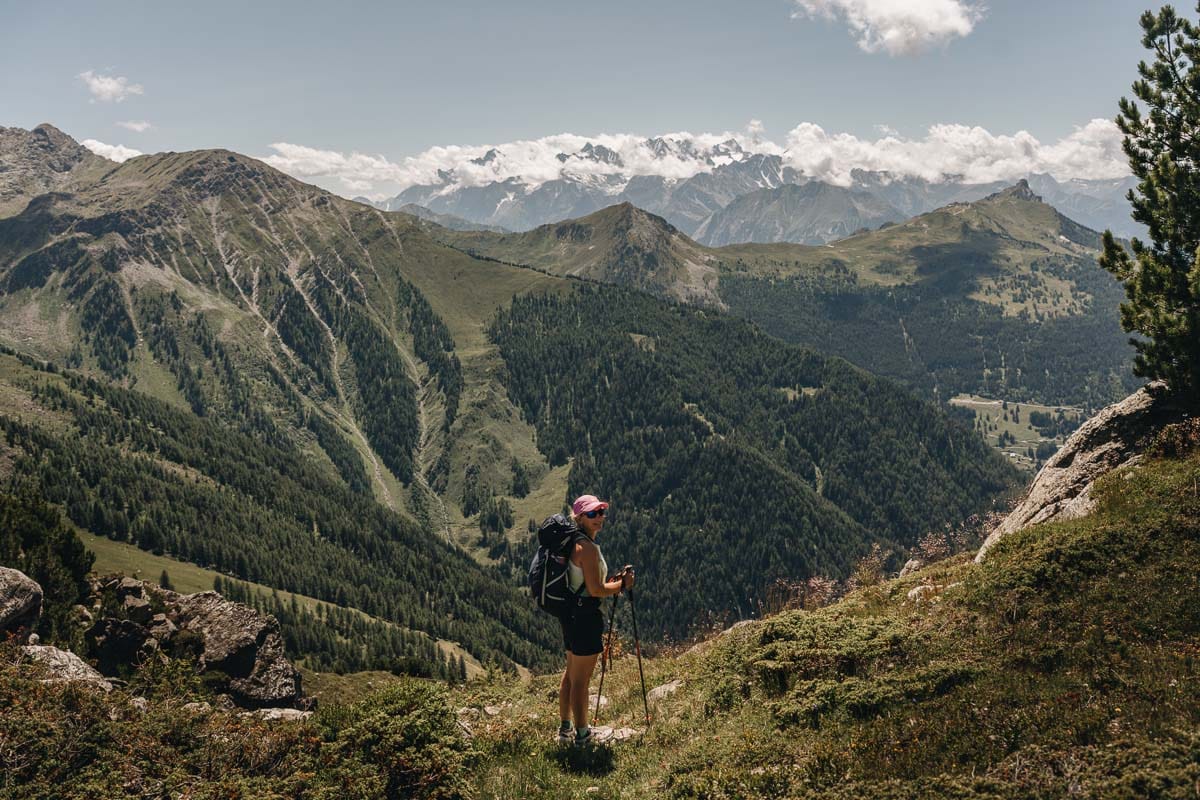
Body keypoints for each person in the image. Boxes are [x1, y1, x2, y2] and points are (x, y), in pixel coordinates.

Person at [557, 494, 633, 746]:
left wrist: (610, 582)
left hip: (570, 614)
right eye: (592, 514)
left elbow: (588, 584)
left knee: (571, 673)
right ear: (579, 517)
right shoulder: (586, 549)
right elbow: (597, 589)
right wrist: (622, 584)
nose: (599, 518)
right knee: (581, 680)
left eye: (600, 512)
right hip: (585, 617)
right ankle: (582, 736)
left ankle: (565, 729)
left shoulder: (572, 542)